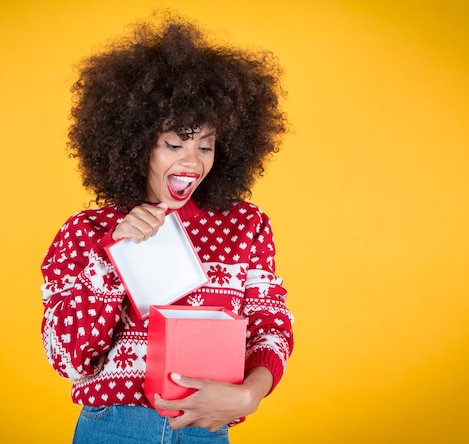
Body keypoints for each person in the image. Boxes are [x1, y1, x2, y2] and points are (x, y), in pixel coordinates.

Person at [40, 12, 294, 444]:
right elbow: (68, 359)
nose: (193, 162)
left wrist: (251, 394)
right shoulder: (88, 231)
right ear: (137, 145)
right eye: (174, 144)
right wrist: (112, 254)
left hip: (206, 431)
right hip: (115, 427)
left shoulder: (244, 226)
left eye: (206, 146)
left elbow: (270, 324)